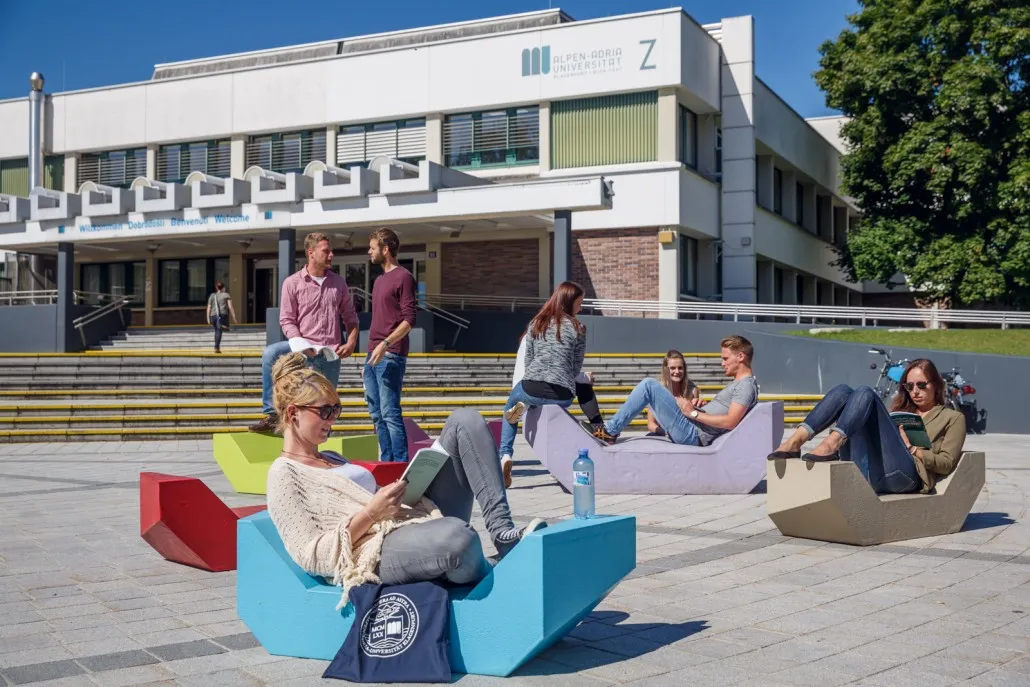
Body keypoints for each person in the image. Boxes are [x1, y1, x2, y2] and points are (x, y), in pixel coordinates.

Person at [265, 353, 546, 609]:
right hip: (373, 551)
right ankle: (494, 572)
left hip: (409, 522)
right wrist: (373, 512)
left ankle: (502, 534)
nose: (332, 419)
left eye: (335, 410)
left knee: (465, 420)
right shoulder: (284, 474)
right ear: (293, 413)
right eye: (325, 411)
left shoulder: (332, 456)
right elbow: (310, 556)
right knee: (458, 538)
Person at [768, 359, 966, 494]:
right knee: (843, 391)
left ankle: (832, 443)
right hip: (877, 468)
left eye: (922, 385)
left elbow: (947, 463)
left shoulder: (953, 417)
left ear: (937, 385)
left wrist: (913, 449)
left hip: (907, 477)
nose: (915, 391)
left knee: (865, 392)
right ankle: (796, 440)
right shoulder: (902, 409)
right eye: (909, 386)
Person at [248, 233, 359, 433]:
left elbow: (351, 318)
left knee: (326, 410)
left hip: (329, 353)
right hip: (301, 351)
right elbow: (287, 320)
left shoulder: (339, 283)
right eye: (326, 251)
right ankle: (271, 414)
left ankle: (319, 451)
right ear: (311, 253)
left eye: (330, 251)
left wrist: (350, 343)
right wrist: (301, 343)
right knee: (270, 354)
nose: (331, 255)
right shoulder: (292, 283)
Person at [593, 336, 758, 446]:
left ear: (741, 357)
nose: (722, 363)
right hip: (692, 426)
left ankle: (609, 432)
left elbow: (731, 422)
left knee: (649, 385)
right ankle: (609, 430)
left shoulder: (745, 385)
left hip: (693, 433)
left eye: (725, 358)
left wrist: (693, 413)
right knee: (650, 387)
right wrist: (700, 406)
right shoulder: (740, 384)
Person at [498, 282, 587, 486]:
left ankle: (505, 455)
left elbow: (528, 361)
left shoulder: (537, 322)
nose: (580, 308)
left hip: (532, 387)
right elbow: (575, 369)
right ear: (568, 302)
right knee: (552, 417)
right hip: (563, 393)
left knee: (511, 409)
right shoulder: (579, 328)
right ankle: (555, 466)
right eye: (579, 303)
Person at [364, 228, 417, 462]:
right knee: (377, 415)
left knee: (390, 414)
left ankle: (401, 467)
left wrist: (385, 344)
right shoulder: (378, 281)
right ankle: (387, 464)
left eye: (373, 247)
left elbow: (409, 320)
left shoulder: (404, 277)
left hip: (390, 355)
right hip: (372, 355)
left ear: (385, 249)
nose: (369, 251)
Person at [512, 333, 605, 434]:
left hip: (522, 390)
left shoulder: (529, 336)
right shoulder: (548, 337)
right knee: (583, 386)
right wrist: (586, 377)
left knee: (511, 414)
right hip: (543, 390)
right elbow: (562, 371)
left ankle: (506, 448)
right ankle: (599, 427)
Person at [646, 349, 700, 437]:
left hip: (684, 434)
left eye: (680, 368)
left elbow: (695, 419)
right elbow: (651, 424)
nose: (677, 372)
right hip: (663, 434)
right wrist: (665, 433)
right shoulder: (657, 389)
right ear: (665, 369)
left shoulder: (692, 390)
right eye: (672, 368)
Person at [206, 281, 238, 354]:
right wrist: (234, 317)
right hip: (222, 315)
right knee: (219, 330)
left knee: (217, 330)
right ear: (223, 287)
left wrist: (208, 318)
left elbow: (208, 308)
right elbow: (230, 307)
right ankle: (216, 347)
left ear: (216, 287)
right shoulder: (226, 295)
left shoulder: (212, 295)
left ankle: (216, 346)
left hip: (213, 316)